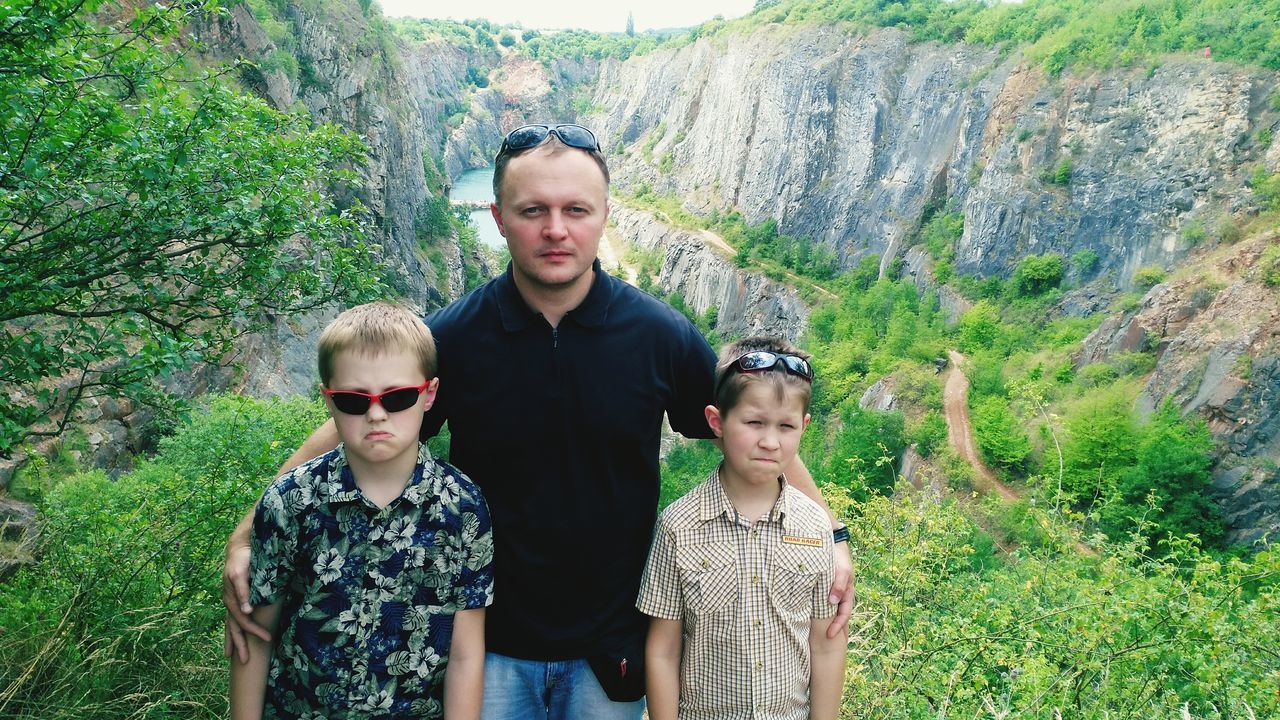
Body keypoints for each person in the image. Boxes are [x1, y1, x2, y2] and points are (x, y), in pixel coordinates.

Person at [223, 123, 854, 720]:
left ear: (604, 215)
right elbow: (358, 418)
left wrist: (831, 536)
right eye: (533, 211)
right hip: (486, 646)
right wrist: (250, 531)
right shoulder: (456, 337)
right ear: (498, 220)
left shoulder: (657, 335)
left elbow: (755, 430)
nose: (556, 230)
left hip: (612, 650)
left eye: (576, 210)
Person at [228, 302, 493, 719]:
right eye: (353, 400)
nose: (376, 413)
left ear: (429, 395)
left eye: (398, 396)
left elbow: (464, 654)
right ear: (328, 401)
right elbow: (255, 637)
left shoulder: (463, 507)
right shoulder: (290, 501)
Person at [638, 337, 847, 720]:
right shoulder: (678, 525)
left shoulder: (815, 525)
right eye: (754, 423)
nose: (770, 442)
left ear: (804, 427)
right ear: (717, 422)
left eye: (786, 426)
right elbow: (663, 650)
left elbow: (827, 644)